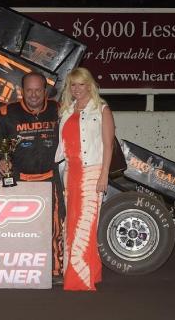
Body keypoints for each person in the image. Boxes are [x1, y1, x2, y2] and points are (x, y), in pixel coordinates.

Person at [0, 71, 64, 279]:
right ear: (22, 91)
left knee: (54, 226)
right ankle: (18, 269)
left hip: (51, 178)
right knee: (18, 228)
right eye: (29, 90)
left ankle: (55, 269)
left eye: (38, 90)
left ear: (45, 91)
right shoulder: (6, 112)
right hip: (19, 180)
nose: (33, 95)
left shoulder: (58, 110)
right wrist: (0, 159)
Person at [55, 67, 115, 291]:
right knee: (70, 224)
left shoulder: (101, 109)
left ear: (89, 85)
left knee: (85, 226)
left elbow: (108, 145)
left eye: (81, 84)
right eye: (73, 85)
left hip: (92, 172)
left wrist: (104, 175)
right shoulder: (67, 110)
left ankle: (79, 277)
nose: (77, 89)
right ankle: (91, 271)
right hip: (71, 172)